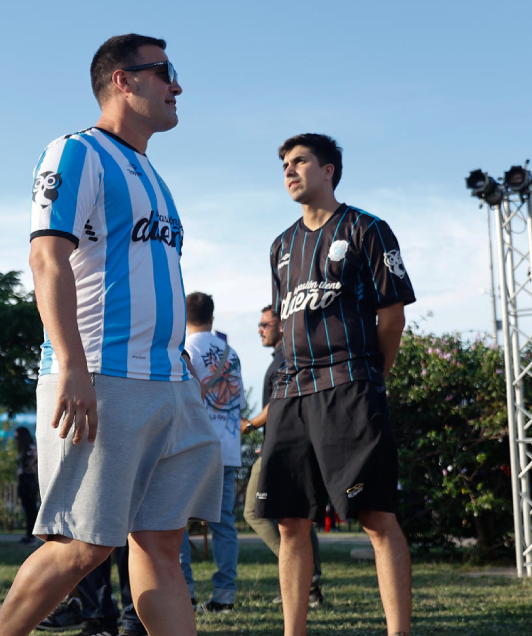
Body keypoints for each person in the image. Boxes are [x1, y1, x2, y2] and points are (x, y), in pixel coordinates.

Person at [0, 34, 222, 636]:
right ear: (123, 80)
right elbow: (46, 260)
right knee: (81, 546)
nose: (178, 86)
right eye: (165, 72)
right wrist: (71, 366)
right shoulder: (75, 152)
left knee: (160, 546)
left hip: (169, 383)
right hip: (102, 375)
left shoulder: (151, 172)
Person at [258, 133, 415, 636]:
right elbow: (284, 325)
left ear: (329, 170)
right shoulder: (281, 246)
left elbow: (392, 318)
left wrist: (373, 375)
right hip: (290, 394)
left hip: (350, 384)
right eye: (284, 163)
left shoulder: (368, 229)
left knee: (376, 517)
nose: (289, 170)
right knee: (288, 522)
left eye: (300, 161)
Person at [240, 305, 324, 606]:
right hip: (285, 444)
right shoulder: (286, 357)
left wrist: (250, 424)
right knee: (297, 516)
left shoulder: (287, 359)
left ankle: (307, 575)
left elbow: (277, 405)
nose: (260, 329)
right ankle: (309, 585)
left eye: (265, 324)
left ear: (282, 325)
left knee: (254, 512)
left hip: (283, 447)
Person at [182, 292, 244, 613]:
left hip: (194, 445)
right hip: (229, 448)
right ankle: (224, 596)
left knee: (174, 520)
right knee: (224, 525)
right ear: (212, 316)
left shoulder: (186, 349)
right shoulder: (231, 353)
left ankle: (184, 592)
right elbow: (239, 403)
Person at [14, 427, 39, 545]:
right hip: (23, 479)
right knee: (27, 508)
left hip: (29, 480)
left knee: (31, 509)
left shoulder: (30, 448)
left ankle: (31, 535)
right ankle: (28, 534)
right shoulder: (22, 450)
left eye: (17, 437)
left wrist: (29, 467)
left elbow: (37, 457)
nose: (16, 440)